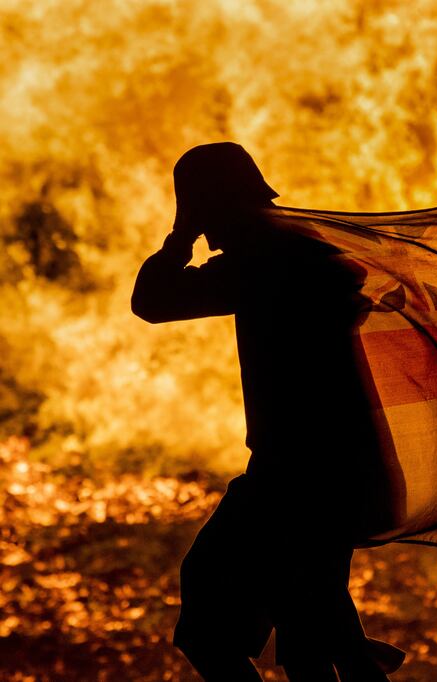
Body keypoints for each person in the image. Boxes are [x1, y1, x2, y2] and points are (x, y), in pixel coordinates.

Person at [132, 142, 405, 681]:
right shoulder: (300, 253)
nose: (206, 230)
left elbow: (153, 301)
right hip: (329, 471)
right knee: (316, 633)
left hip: (296, 478)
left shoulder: (266, 263)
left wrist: (179, 236)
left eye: (201, 210)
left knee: (216, 624)